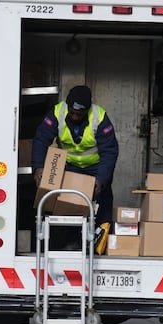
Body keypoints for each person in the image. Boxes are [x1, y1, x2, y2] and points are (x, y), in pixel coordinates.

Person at [32, 85, 119, 226]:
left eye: (79, 114)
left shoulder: (99, 117)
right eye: (72, 112)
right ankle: (69, 243)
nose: (75, 116)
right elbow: (41, 140)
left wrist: (101, 180)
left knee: (103, 200)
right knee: (65, 202)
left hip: (95, 167)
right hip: (71, 165)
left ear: (87, 110)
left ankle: (100, 243)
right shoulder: (57, 113)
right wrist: (38, 167)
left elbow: (110, 151)